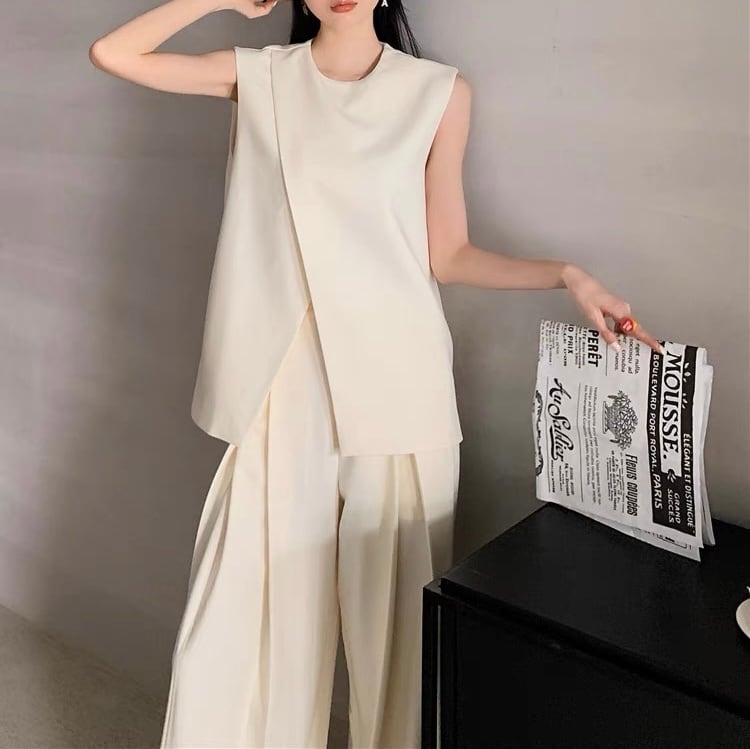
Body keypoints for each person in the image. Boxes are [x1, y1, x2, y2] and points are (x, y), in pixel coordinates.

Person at [89, 1, 665, 747]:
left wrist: (567, 275)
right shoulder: (260, 76)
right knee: (240, 629)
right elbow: (114, 54)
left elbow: (447, 253)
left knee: (395, 644)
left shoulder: (439, 92)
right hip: (279, 389)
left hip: (399, 385)